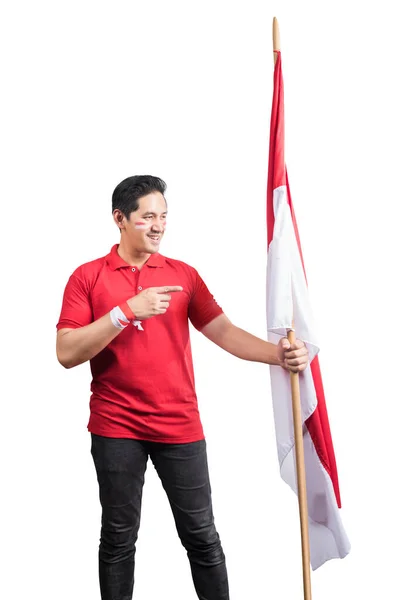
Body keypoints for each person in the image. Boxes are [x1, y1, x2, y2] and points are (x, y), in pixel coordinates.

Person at [56, 175, 309, 600]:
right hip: (115, 427)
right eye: (147, 217)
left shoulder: (182, 276)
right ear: (120, 219)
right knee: (118, 538)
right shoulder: (88, 277)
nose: (158, 225)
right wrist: (124, 313)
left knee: (202, 536)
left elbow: (224, 332)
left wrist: (279, 355)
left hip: (180, 425)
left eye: (164, 217)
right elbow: (66, 352)